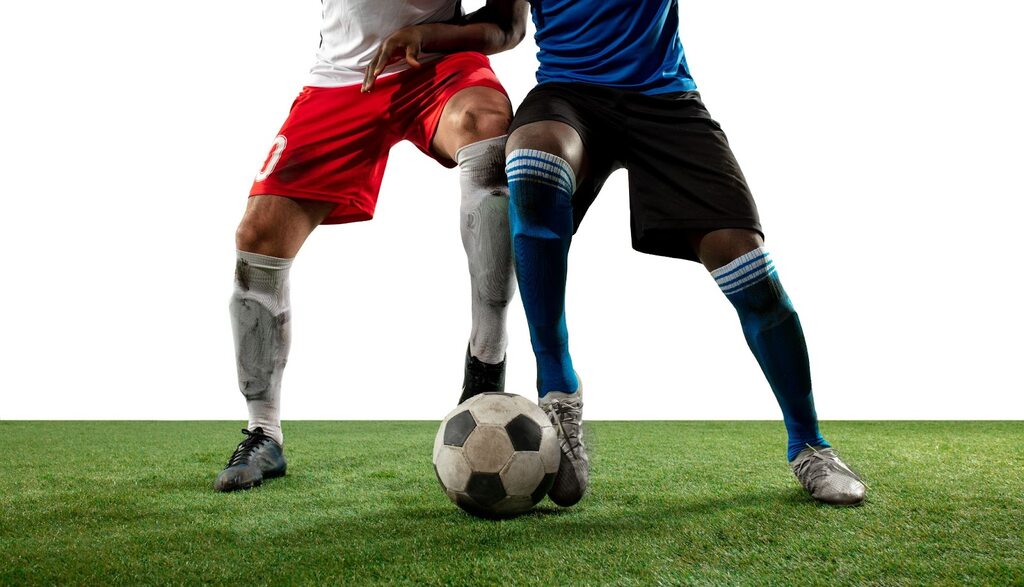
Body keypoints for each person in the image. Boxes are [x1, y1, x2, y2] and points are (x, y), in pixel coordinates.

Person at [371, 0, 866, 506]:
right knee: (531, 159)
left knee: (749, 270)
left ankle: (810, 445)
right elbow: (504, 25)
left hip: (665, 101)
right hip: (569, 97)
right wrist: (427, 34)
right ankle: (558, 387)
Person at [215, 0, 527, 492]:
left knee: (486, 125)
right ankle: (263, 432)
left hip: (438, 67)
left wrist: (427, 37)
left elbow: (508, 27)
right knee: (259, 239)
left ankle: (486, 359)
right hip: (344, 76)